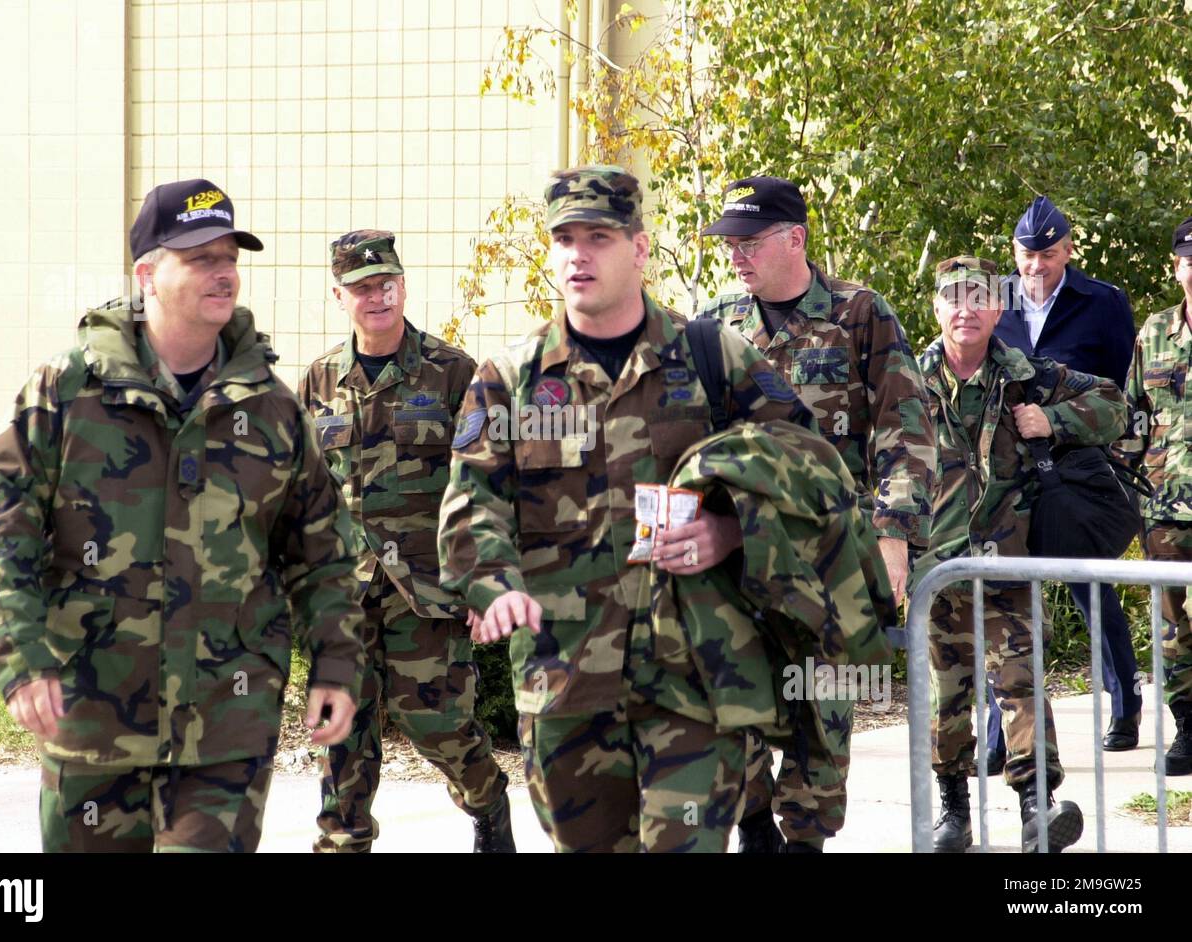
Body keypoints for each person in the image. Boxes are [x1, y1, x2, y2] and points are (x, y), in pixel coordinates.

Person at [0, 179, 364, 852]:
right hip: (94, 716)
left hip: (225, 728)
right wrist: (20, 655)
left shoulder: (270, 409)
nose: (224, 272)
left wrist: (335, 663)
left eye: (230, 256)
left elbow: (321, 551)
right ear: (147, 273)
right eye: (201, 257)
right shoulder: (66, 393)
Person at [438, 165, 823, 852]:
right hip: (565, 683)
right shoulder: (510, 381)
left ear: (639, 248)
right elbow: (472, 504)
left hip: (698, 679)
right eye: (564, 238)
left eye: (599, 236)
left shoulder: (712, 358)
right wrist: (494, 583)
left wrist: (731, 529)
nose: (578, 254)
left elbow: (808, 470)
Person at [700, 175, 936, 851]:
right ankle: (753, 830)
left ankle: (803, 840)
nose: (736, 257)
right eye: (730, 245)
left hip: (830, 552)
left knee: (821, 711)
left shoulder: (860, 314)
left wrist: (893, 535)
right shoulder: (717, 325)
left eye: (748, 243)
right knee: (728, 697)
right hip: (739, 550)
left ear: (794, 238)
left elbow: (904, 432)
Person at [299, 229, 514, 852]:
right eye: (363, 287)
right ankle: (343, 843)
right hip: (344, 596)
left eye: (387, 283)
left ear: (404, 285)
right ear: (338, 295)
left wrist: (484, 581)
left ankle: (488, 805)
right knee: (342, 738)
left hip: (427, 589)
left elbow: (485, 485)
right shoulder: (317, 382)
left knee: (442, 728)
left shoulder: (453, 373)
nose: (378, 296)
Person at [918, 255, 1125, 853]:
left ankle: (1039, 808)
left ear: (999, 308)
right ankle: (954, 811)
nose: (966, 308)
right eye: (953, 297)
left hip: (1007, 562)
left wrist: (1053, 420)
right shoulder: (906, 379)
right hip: (937, 568)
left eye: (978, 297)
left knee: (1022, 682)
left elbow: (1113, 403)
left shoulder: (1027, 376)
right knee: (947, 694)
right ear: (937, 308)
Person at [991, 195, 1143, 761]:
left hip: (1075, 467)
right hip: (1006, 471)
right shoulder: (991, 302)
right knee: (1004, 602)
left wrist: (1061, 426)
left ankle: (1125, 704)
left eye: (1048, 255)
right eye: (1027, 256)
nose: (1036, 266)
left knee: (1090, 588)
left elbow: (1120, 396)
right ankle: (996, 736)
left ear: (1068, 251)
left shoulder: (1101, 303)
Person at [1115, 214, 1192, 776]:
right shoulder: (1155, 332)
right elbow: (1130, 417)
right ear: (1176, 268)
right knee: (1173, 627)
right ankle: (1188, 725)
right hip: (1165, 505)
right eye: (1190, 260)